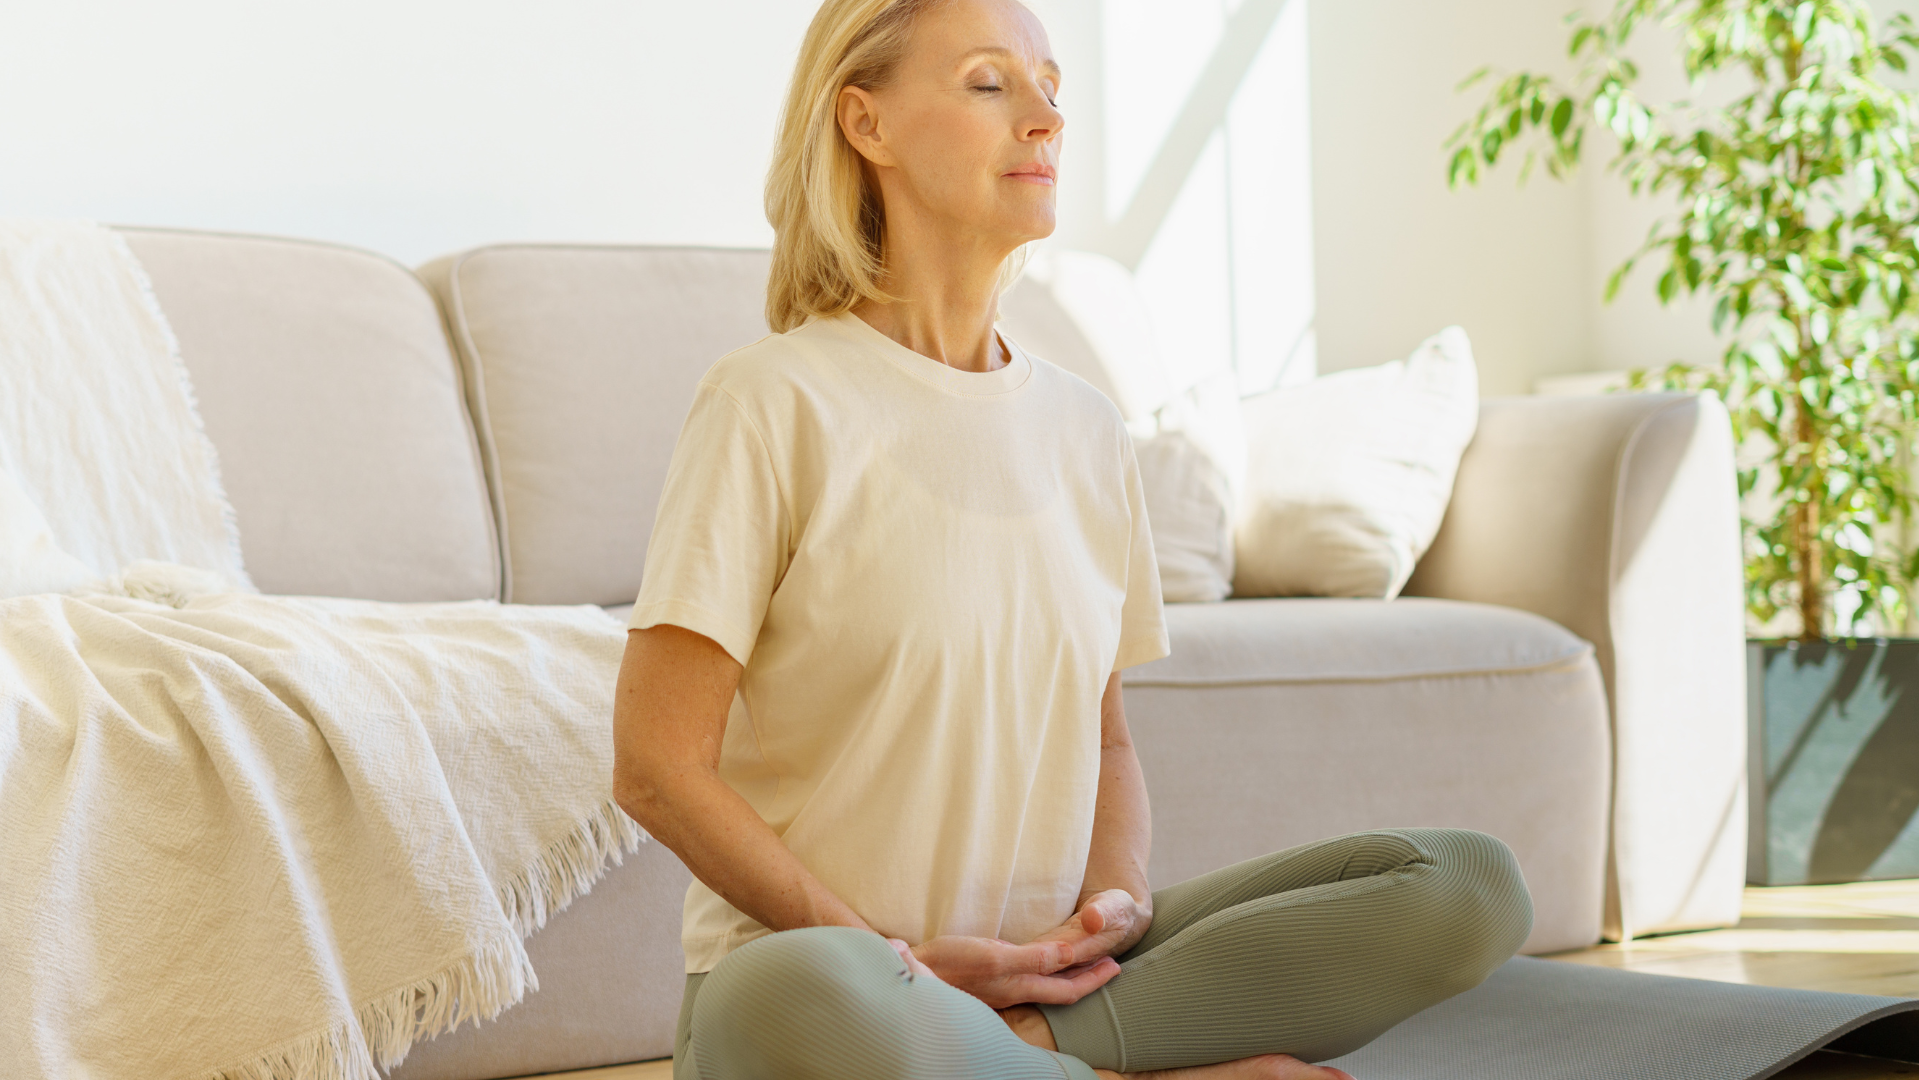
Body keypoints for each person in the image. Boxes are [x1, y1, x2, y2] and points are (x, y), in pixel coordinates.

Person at [610, 0, 1532, 1076]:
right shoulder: (770, 402)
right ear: (866, 124)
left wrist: (1108, 908)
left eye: (1052, 86)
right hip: (832, 990)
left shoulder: (1087, 429)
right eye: (989, 83)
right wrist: (898, 961)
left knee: (1463, 884)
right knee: (805, 989)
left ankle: (1038, 1052)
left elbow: (1105, 742)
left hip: (1046, 985)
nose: (1045, 117)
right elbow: (657, 768)